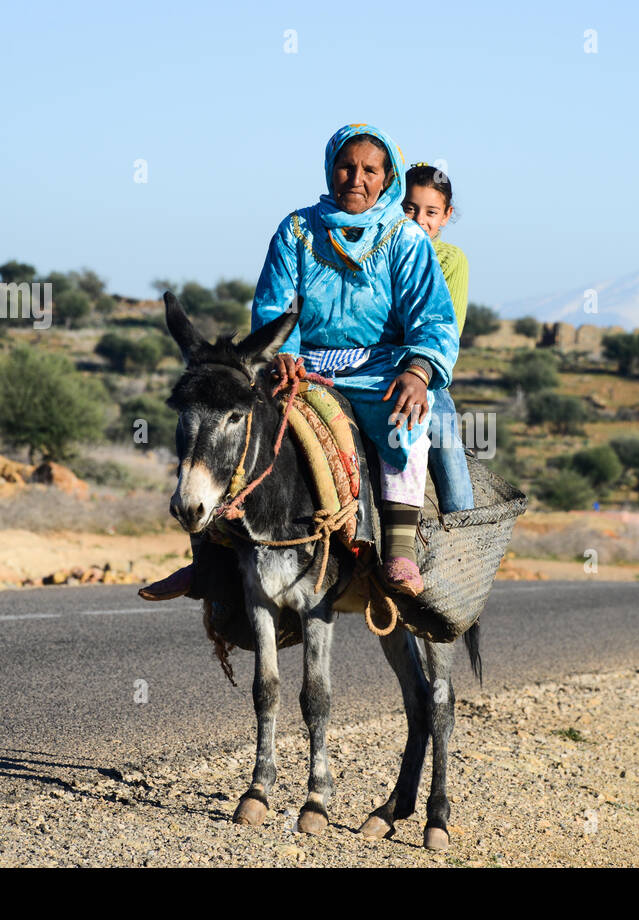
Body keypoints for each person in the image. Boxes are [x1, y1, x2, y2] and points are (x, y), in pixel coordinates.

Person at [142, 123, 457, 602]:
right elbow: (274, 307)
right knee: (231, 421)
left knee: (406, 426)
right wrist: (283, 354)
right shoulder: (295, 230)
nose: (355, 178)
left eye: (369, 170)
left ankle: (398, 551)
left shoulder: (406, 240)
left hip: (383, 371)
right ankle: (207, 555)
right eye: (345, 167)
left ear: (388, 176)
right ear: (330, 169)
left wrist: (418, 372)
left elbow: (433, 318)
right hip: (301, 367)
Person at [402, 163, 474, 513]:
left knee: (444, 436)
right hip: (373, 363)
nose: (419, 219)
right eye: (410, 208)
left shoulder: (451, 261)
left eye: (431, 212)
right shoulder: (384, 252)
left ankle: (461, 526)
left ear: (446, 216)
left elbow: (448, 329)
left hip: (426, 370)